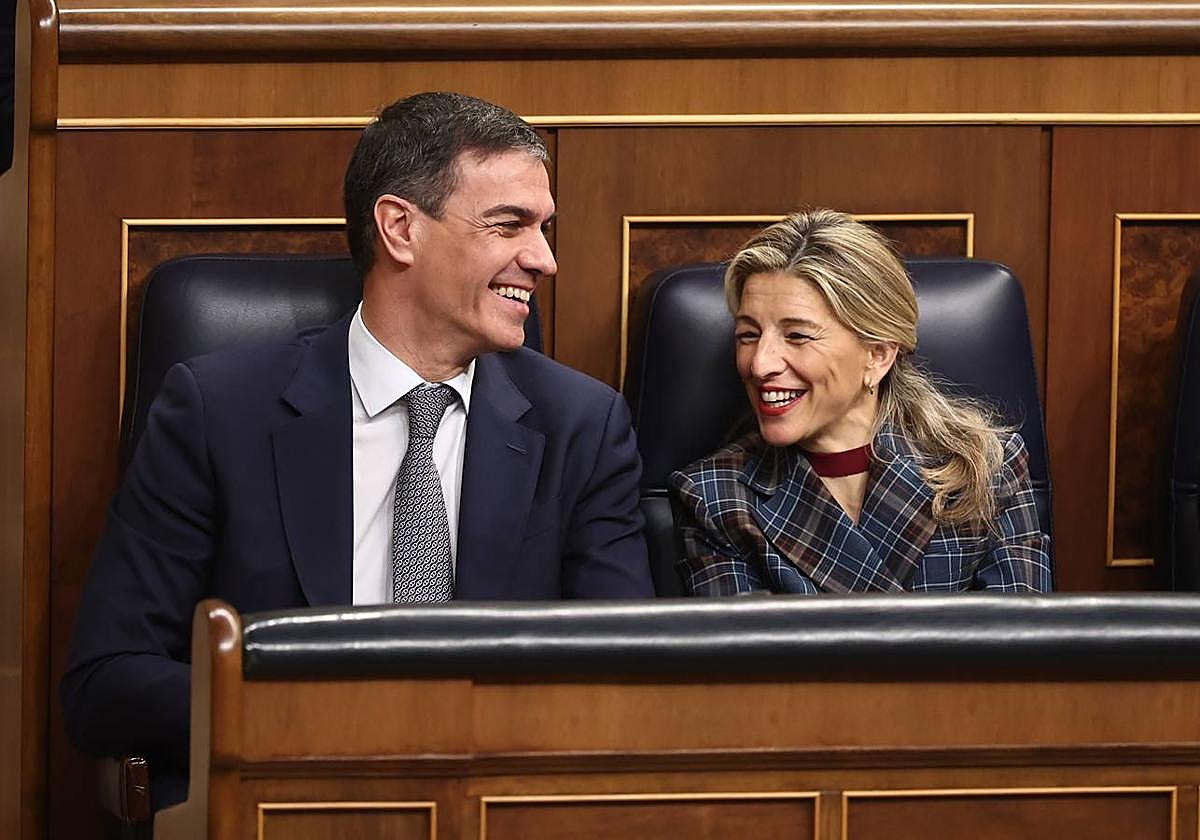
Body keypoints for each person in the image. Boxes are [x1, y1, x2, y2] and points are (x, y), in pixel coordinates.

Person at [62, 91, 654, 809]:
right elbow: (108, 681)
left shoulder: (583, 427)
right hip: (280, 802)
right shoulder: (219, 411)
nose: (544, 259)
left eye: (544, 228)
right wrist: (326, 723)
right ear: (400, 228)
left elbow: (622, 683)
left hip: (498, 808)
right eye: (509, 226)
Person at [670, 209, 1052, 595]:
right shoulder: (714, 495)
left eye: (798, 336)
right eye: (748, 335)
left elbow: (1022, 645)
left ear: (878, 354)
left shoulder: (984, 465)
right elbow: (740, 655)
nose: (759, 363)